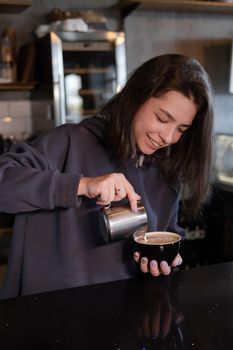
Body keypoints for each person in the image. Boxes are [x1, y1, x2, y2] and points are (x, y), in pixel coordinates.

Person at [0, 53, 213, 299]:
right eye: (162, 118)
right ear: (136, 97)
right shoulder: (69, 142)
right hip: (48, 314)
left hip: (120, 320)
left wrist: (159, 265)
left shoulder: (166, 173)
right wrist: (81, 185)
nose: (167, 137)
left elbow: (161, 242)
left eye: (181, 129)